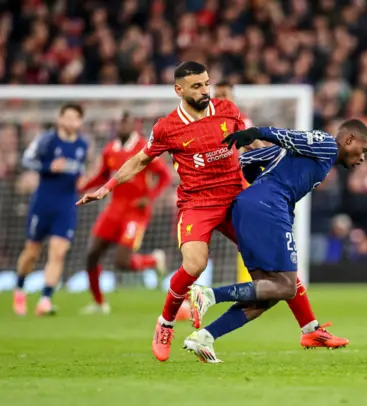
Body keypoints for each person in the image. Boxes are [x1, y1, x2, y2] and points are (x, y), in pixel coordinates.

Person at [77, 61, 348, 362]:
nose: (205, 90)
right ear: (178, 90)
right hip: (197, 203)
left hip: (237, 199)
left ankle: (309, 328)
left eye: (206, 83)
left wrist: (266, 171)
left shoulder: (227, 110)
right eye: (197, 86)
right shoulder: (166, 127)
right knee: (194, 265)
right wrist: (107, 186)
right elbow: (140, 161)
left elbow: (250, 146)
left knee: (276, 270)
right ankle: (165, 323)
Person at [185, 120, 367, 363]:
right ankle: (209, 295)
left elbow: (248, 161)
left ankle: (205, 337)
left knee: (268, 294)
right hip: (269, 207)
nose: (363, 158)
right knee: (286, 286)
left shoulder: (304, 156)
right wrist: (258, 133)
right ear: (349, 140)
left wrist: (257, 182)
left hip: (251, 206)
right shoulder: (327, 145)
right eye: (363, 149)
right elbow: (290, 136)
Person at [78, 112, 172, 314]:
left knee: (122, 262)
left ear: (134, 126)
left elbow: (164, 176)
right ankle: (99, 303)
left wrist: (150, 197)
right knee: (92, 255)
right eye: (119, 123)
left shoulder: (143, 148)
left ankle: (153, 260)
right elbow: (103, 175)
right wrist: (83, 187)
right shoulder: (110, 149)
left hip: (136, 211)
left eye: (126, 123)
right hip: (114, 208)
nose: (122, 127)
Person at [13, 103, 88, 316]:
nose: (72, 122)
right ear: (60, 119)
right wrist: (48, 167)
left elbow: (79, 171)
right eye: (68, 117)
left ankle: (45, 299)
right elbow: (27, 160)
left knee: (58, 252)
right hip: (43, 203)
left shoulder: (82, 144)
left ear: (80, 122)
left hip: (66, 205)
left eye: (76, 118)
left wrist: (83, 179)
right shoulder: (47, 140)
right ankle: (19, 288)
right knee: (32, 252)